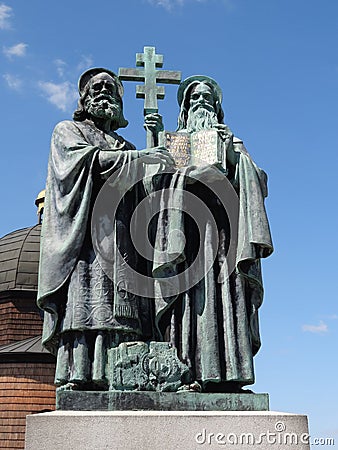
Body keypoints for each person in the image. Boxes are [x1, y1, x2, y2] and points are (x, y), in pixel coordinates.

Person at [37, 68, 173, 390]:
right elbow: (87, 164)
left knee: (126, 312)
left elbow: (147, 194)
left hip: (124, 236)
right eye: (96, 88)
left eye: (110, 89)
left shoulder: (125, 143)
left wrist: (158, 144)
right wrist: (140, 157)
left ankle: (126, 376)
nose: (103, 93)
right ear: (84, 99)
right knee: (88, 305)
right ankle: (84, 375)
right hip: (87, 239)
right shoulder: (67, 131)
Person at [153, 75, 273, 392]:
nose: (202, 102)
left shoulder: (230, 140)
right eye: (195, 98)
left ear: (217, 107)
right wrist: (182, 173)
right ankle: (187, 374)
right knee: (192, 303)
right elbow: (157, 184)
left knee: (228, 299)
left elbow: (257, 179)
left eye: (208, 98)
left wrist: (234, 157)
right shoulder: (177, 141)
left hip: (225, 232)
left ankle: (230, 376)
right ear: (186, 107)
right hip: (188, 232)